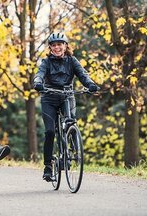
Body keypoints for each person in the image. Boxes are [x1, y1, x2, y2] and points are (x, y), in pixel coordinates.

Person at [33, 33, 99, 181]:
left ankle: (73, 153)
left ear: (65, 46)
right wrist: (38, 82)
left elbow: (83, 75)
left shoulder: (72, 61)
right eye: (54, 45)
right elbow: (40, 74)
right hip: (49, 98)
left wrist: (90, 84)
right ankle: (48, 167)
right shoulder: (46, 62)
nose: (57, 47)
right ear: (50, 47)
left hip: (67, 97)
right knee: (50, 132)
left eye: (60, 44)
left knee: (70, 121)